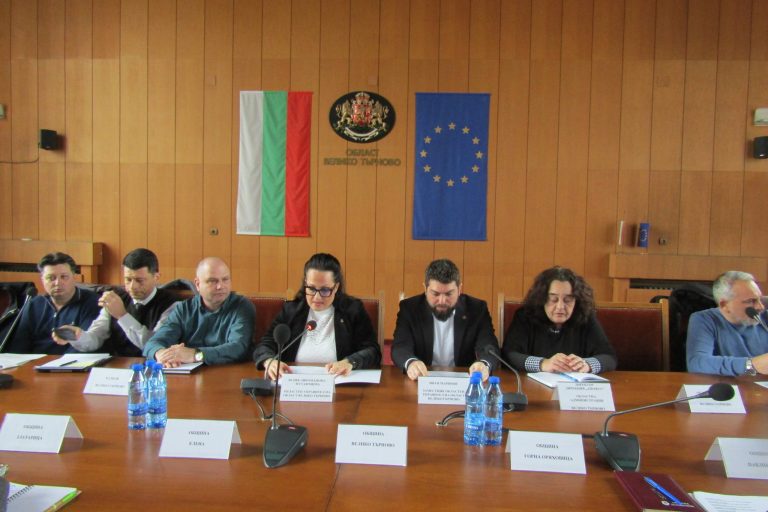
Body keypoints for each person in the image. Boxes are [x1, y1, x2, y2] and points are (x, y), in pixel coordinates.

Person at [254, 253, 381, 379]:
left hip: (338, 383)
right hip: (295, 382)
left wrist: (349, 362)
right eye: (311, 289)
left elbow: (372, 351)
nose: (317, 297)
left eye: (325, 290)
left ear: (336, 287)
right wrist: (269, 360)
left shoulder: (352, 310)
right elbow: (265, 344)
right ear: (305, 283)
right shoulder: (292, 311)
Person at [56, 248, 181, 356]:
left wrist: (122, 315)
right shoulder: (116, 298)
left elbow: (155, 345)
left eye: (139, 280)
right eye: (128, 280)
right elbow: (95, 339)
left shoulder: (172, 304)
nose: (132, 286)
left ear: (156, 277)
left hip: (153, 366)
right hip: (116, 364)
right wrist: (78, 336)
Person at [391, 259, 500, 381]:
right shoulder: (410, 308)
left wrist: (484, 364)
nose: (442, 301)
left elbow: (489, 346)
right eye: (435, 294)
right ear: (425, 289)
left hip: (464, 381)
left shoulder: (477, 309)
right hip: (421, 380)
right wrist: (411, 362)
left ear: (459, 289)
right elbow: (400, 346)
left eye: (448, 294)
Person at [502, 266, 617, 374]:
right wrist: (542, 364)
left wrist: (587, 364)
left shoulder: (585, 316)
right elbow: (509, 355)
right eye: (553, 299)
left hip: (574, 385)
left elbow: (609, 357)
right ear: (542, 299)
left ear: (577, 300)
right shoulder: (526, 316)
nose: (560, 306)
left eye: (568, 300)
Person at [143, 257, 255, 367]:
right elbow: (153, 343)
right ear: (197, 284)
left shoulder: (242, 306)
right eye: (212, 281)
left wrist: (195, 355)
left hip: (226, 372)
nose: (220, 286)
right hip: (186, 373)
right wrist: (162, 354)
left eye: (225, 279)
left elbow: (238, 348)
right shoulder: (184, 309)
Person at [7, 252, 100, 354]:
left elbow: (85, 346)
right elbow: (19, 345)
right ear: (42, 280)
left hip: (71, 362)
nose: (57, 283)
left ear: (74, 277)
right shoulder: (33, 304)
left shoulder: (92, 302)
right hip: (35, 362)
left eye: (64, 277)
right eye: (51, 278)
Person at [686, 271, 768, 376]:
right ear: (724, 304)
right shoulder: (704, 319)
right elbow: (697, 363)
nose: (760, 307)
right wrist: (751, 365)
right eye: (750, 301)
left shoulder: (765, 317)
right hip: (728, 384)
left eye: (759, 299)